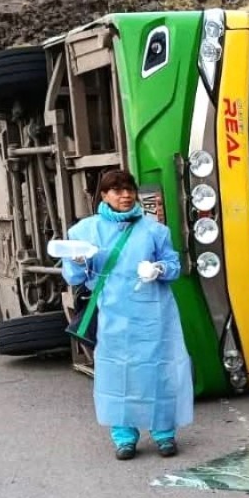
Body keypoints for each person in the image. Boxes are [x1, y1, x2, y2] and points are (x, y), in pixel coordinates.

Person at [62, 169, 193, 460]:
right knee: (118, 374)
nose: (125, 195)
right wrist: (79, 261)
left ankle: (164, 434)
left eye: (129, 189)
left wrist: (158, 269)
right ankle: (124, 437)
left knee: (159, 370)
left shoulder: (155, 230)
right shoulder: (85, 232)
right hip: (113, 316)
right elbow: (73, 277)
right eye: (117, 190)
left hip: (155, 316)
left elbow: (173, 266)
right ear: (104, 195)